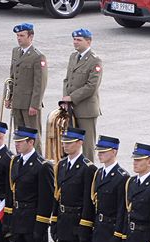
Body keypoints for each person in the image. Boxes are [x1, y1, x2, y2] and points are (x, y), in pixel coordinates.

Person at [61, 29, 102, 161]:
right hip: (71, 108)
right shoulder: (73, 57)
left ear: (88, 41)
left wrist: (72, 98)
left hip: (86, 110)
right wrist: (65, 99)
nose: (75, 42)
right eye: (74, 39)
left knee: (87, 146)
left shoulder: (95, 61)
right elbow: (67, 80)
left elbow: (91, 86)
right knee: (71, 143)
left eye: (79, 40)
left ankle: (88, 174)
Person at [7, 23, 47, 152]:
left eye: (22, 35)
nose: (19, 38)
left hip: (29, 103)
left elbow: (40, 83)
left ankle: (38, 162)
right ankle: (21, 161)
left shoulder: (37, 56)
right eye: (17, 36)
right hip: (17, 102)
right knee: (19, 135)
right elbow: (12, 76)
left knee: (32, 136)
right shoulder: (16, 51)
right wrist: (9, 97)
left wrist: (34, 105)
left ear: (31, 36)